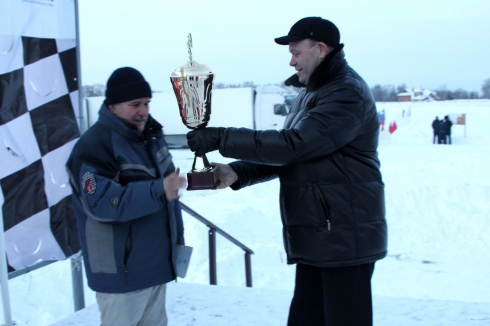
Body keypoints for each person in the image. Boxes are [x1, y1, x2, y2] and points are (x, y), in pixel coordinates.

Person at [187, 17, 387, 326]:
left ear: (320, 49)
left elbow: (294, 145)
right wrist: (237, 173)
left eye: (296, 52)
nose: (291, 61)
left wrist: (221, 137)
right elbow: (296, 156)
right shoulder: (312, 94)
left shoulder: (345, 93)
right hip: (320, 234)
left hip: (345, 239)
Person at [66, 67, 187, 326]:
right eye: (135, 105)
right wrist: (159, 189)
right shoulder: (94, 146)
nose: (143, 111)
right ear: (112, 106)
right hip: (121, 273)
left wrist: (176, 244)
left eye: (146, 103)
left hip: (154, 266)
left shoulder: (151, 138)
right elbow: (101, 204)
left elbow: (168, 193)